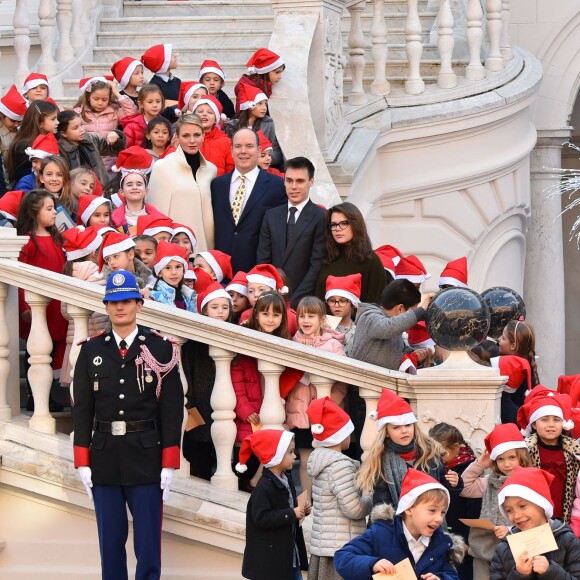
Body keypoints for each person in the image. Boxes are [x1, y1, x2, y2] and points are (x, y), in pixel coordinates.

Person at [72, 269, 184, 580]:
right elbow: (83, 409)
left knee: (148, 546)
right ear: (106, 306)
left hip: (146, 458)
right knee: (110, 545)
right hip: (105, 457)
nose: (120, 307)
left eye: (127, 301)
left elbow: (172, 410)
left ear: (138, 304)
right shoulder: (91, 349)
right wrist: (82, 460)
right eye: (114, 302)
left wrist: (169, 463)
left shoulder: (160, 348)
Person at [335, 468, 465, 580]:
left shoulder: (441, 542)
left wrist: (440, 578)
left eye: (442, 513)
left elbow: (451, 575)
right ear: (408, 509)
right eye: (432, 511)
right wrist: (372, 564)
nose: (439, 519)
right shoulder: (381, 532)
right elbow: (343, 557)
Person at [356, 388, 460, 508]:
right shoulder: (380, 460)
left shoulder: (431, 453)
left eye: (408, 425)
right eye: (396, 427)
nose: (404, 431)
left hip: (433, 521)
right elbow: (382, 501)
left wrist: (454, 484)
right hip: (397, 522)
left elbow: (443, 494)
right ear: (387, 432)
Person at [306, 397, 372, 580]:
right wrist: (369, 498)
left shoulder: (320, 461)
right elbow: (353, 508)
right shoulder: (340, 466)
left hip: (324, 545)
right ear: (341, 436)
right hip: (341, 547)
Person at [288, 296, 346, 495]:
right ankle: (306, 500)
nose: (305, 321)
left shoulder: (333, 345)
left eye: (311, 316)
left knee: (326, 459)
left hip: (325, 413)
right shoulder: (292, 342)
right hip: (301, 413)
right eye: (302, 316)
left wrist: (329, 404)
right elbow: (289, 376)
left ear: (322, 319)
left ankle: (323, 498)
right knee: (305, 459)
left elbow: (342, 381)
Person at [460, 423, 532, 580]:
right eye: (500, 459)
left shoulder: (530, 482)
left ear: (521, 456)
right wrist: (480, 464)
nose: (506, 464)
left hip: (516, 551)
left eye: (512, 458)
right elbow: (464, 487)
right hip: (485, 550)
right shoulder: (490, 482)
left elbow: (538, 520)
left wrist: (510, 530)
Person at [17, 189, 68, 407]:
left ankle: (52, 395)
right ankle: (35, 397)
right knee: (36, 350)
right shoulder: (27, 242)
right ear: (34, 212)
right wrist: (24, 307)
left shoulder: (58, 239)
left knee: (56, 348)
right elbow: (20, 277)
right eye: (49, 209)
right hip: (37, 305)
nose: (55, 212)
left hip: (58, 304)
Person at [236, 429, 309, 580]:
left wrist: (301, 511)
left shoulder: (286, 478)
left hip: (288, 553)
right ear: (276, 455)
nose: (294, 456)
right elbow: (260, 517)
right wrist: (291, 513)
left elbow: (288, 506)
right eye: (290, 452)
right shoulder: (264, 487)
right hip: (271, 561)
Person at [211, 127, 286, 273]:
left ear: (259, 151)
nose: (243, 151)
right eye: (238, 146)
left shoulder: (277, 186)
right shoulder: (217, 185)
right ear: (231, 151)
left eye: (249, 146)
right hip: (221, 270)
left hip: (256, 272)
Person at [257, 156, 326, 308]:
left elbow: (316, 266)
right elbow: (263, 259)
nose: (293, 186)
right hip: (271, 301)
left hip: (304, 303)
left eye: (300, 181)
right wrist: (271, 296)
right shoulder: (271, 215)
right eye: (289, 180)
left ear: (311, 182)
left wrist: (293, 302)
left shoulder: (321, 217)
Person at [182, 282, 233, 480]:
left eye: (225, 307)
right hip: (200, 411)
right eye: (214, 307)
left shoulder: (234, 336)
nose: (220, 312)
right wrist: (191, 410)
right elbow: (186, 374)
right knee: (200, 459)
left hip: (227, 408)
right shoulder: (194, 343)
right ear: (204, 310)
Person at [490, 467, 580, 579]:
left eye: (522, 506)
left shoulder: (567, 540)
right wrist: (519, 574)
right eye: (509, 510)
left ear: (542, 505)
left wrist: (551, 572)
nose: (516, 515)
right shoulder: (503, 549)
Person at [147, 113, 217, 251]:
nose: (192, 140)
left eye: (197, 135)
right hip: (174, 251)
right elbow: (155, 215)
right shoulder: (162, 167)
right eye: (185, 136)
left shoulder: (211, 170)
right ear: (177, 137)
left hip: (204, 249)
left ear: (203, 136)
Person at [518, 390, 580, 523]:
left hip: (566, 513)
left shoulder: (574, 450)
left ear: (563, 424)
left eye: (556, 420)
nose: (551, 424)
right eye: (544, 420)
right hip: (535, 512)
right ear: (534, 424)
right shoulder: (525, 450)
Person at [350, 279, 433, 371]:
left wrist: (415, 354)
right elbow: (387, 327)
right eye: (412, 311)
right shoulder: (369, 317)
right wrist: (420, 311)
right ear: (400, 308)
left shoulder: (394, 325)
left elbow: (395, 352)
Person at [314, 202, 387, 304]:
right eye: (333, 225)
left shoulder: (371, 261)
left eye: (343, 223)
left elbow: (374, 305)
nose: (337, 229)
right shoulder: (326, 258)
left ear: (355, 225)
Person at [57, 110, 127, 196]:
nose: (81, 130)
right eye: (75, 128)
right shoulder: (60, 150)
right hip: (76, 195)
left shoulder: (89, 139)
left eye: (81, 125)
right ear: (64, 133)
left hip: (102, 191)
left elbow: (112, 148)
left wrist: (116, 135)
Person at [226, 84, 283, 168]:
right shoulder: (232, 126)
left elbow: (276, 151)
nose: (264, 108)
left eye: (265, 104)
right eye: (260, 104)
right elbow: (229, 151)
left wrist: (265, 158)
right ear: (250, 105)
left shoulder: (268, 124)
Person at [7, 99, 59, 186]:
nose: (57, 122)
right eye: (53, 119)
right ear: (39, 123)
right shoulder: (24, 145)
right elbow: (23, 177)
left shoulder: (55, 138)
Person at [190, 94, 235, 177]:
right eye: (200, 111)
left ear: (216, 119)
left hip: (218, 186)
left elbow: (231, 167)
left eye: (210, 112)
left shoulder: (225, 141)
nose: (204, 114)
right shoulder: (187, 137)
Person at [498, 320, 540, 407]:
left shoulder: (515, 369)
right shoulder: (528, 363)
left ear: (513, 346)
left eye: (503, 338)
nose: (499, 340)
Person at [234, 48, 285, 115]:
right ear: (265, 72)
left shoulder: (264, 84)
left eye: (281, 73)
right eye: (277, 72)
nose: (280, 77)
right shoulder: (249, 88)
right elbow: (242, 114)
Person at [148, 241, 196, 312]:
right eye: (168, 268)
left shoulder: (188, 296)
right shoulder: (153, 297)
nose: (174, 272)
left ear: (183, 270)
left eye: (178, 267)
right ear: (160, 273)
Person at [325, 273, 361, 356]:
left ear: (352, 303)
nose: (337, 305)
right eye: (332, 301)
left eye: (342, 301)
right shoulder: (321, 324)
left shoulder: (359, 332)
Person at [120, 84, 165, 148]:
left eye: (158, 101)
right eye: (150, 102)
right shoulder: (132, 127)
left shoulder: (166, 124)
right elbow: (125, 151)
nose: (155, 105)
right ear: (141, 104)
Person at [0, 85, 26, 168]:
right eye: (12, 120)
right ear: (1, 115)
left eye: (19, 122)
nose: (16, 125)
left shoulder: (22, 132)